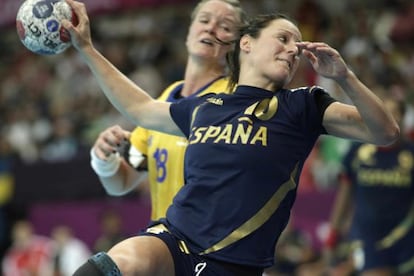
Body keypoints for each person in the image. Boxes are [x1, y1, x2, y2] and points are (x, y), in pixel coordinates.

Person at [64, 0, 400, 273]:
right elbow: (140, 114)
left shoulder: (301, 104)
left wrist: (345, 77)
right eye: (283, 39)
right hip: (175, 240)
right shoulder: (201, 106)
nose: (291, 50)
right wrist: (87, 48)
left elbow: (384, 131)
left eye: (297, 48)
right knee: (109, 266)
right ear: (247, 44)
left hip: (234, 263)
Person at [90, 0, 247, 222]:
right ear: (189, 32)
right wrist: (104, 160)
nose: (211, 28)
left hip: (211, 245)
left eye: (225, 26)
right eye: (204, 20)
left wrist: (87, 49)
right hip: (165, 243)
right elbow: (124, 180)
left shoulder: (234, 97)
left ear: (236, 45)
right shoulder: (166, 97)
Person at [325, 97, 414, 276]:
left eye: (395, 113)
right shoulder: (357, 153)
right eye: (385, 113)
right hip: (368, 237)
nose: (390, 118)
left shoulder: (411, 154)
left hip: (406, 236)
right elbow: (344, 195)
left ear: (404, 118)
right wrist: (333, 235)